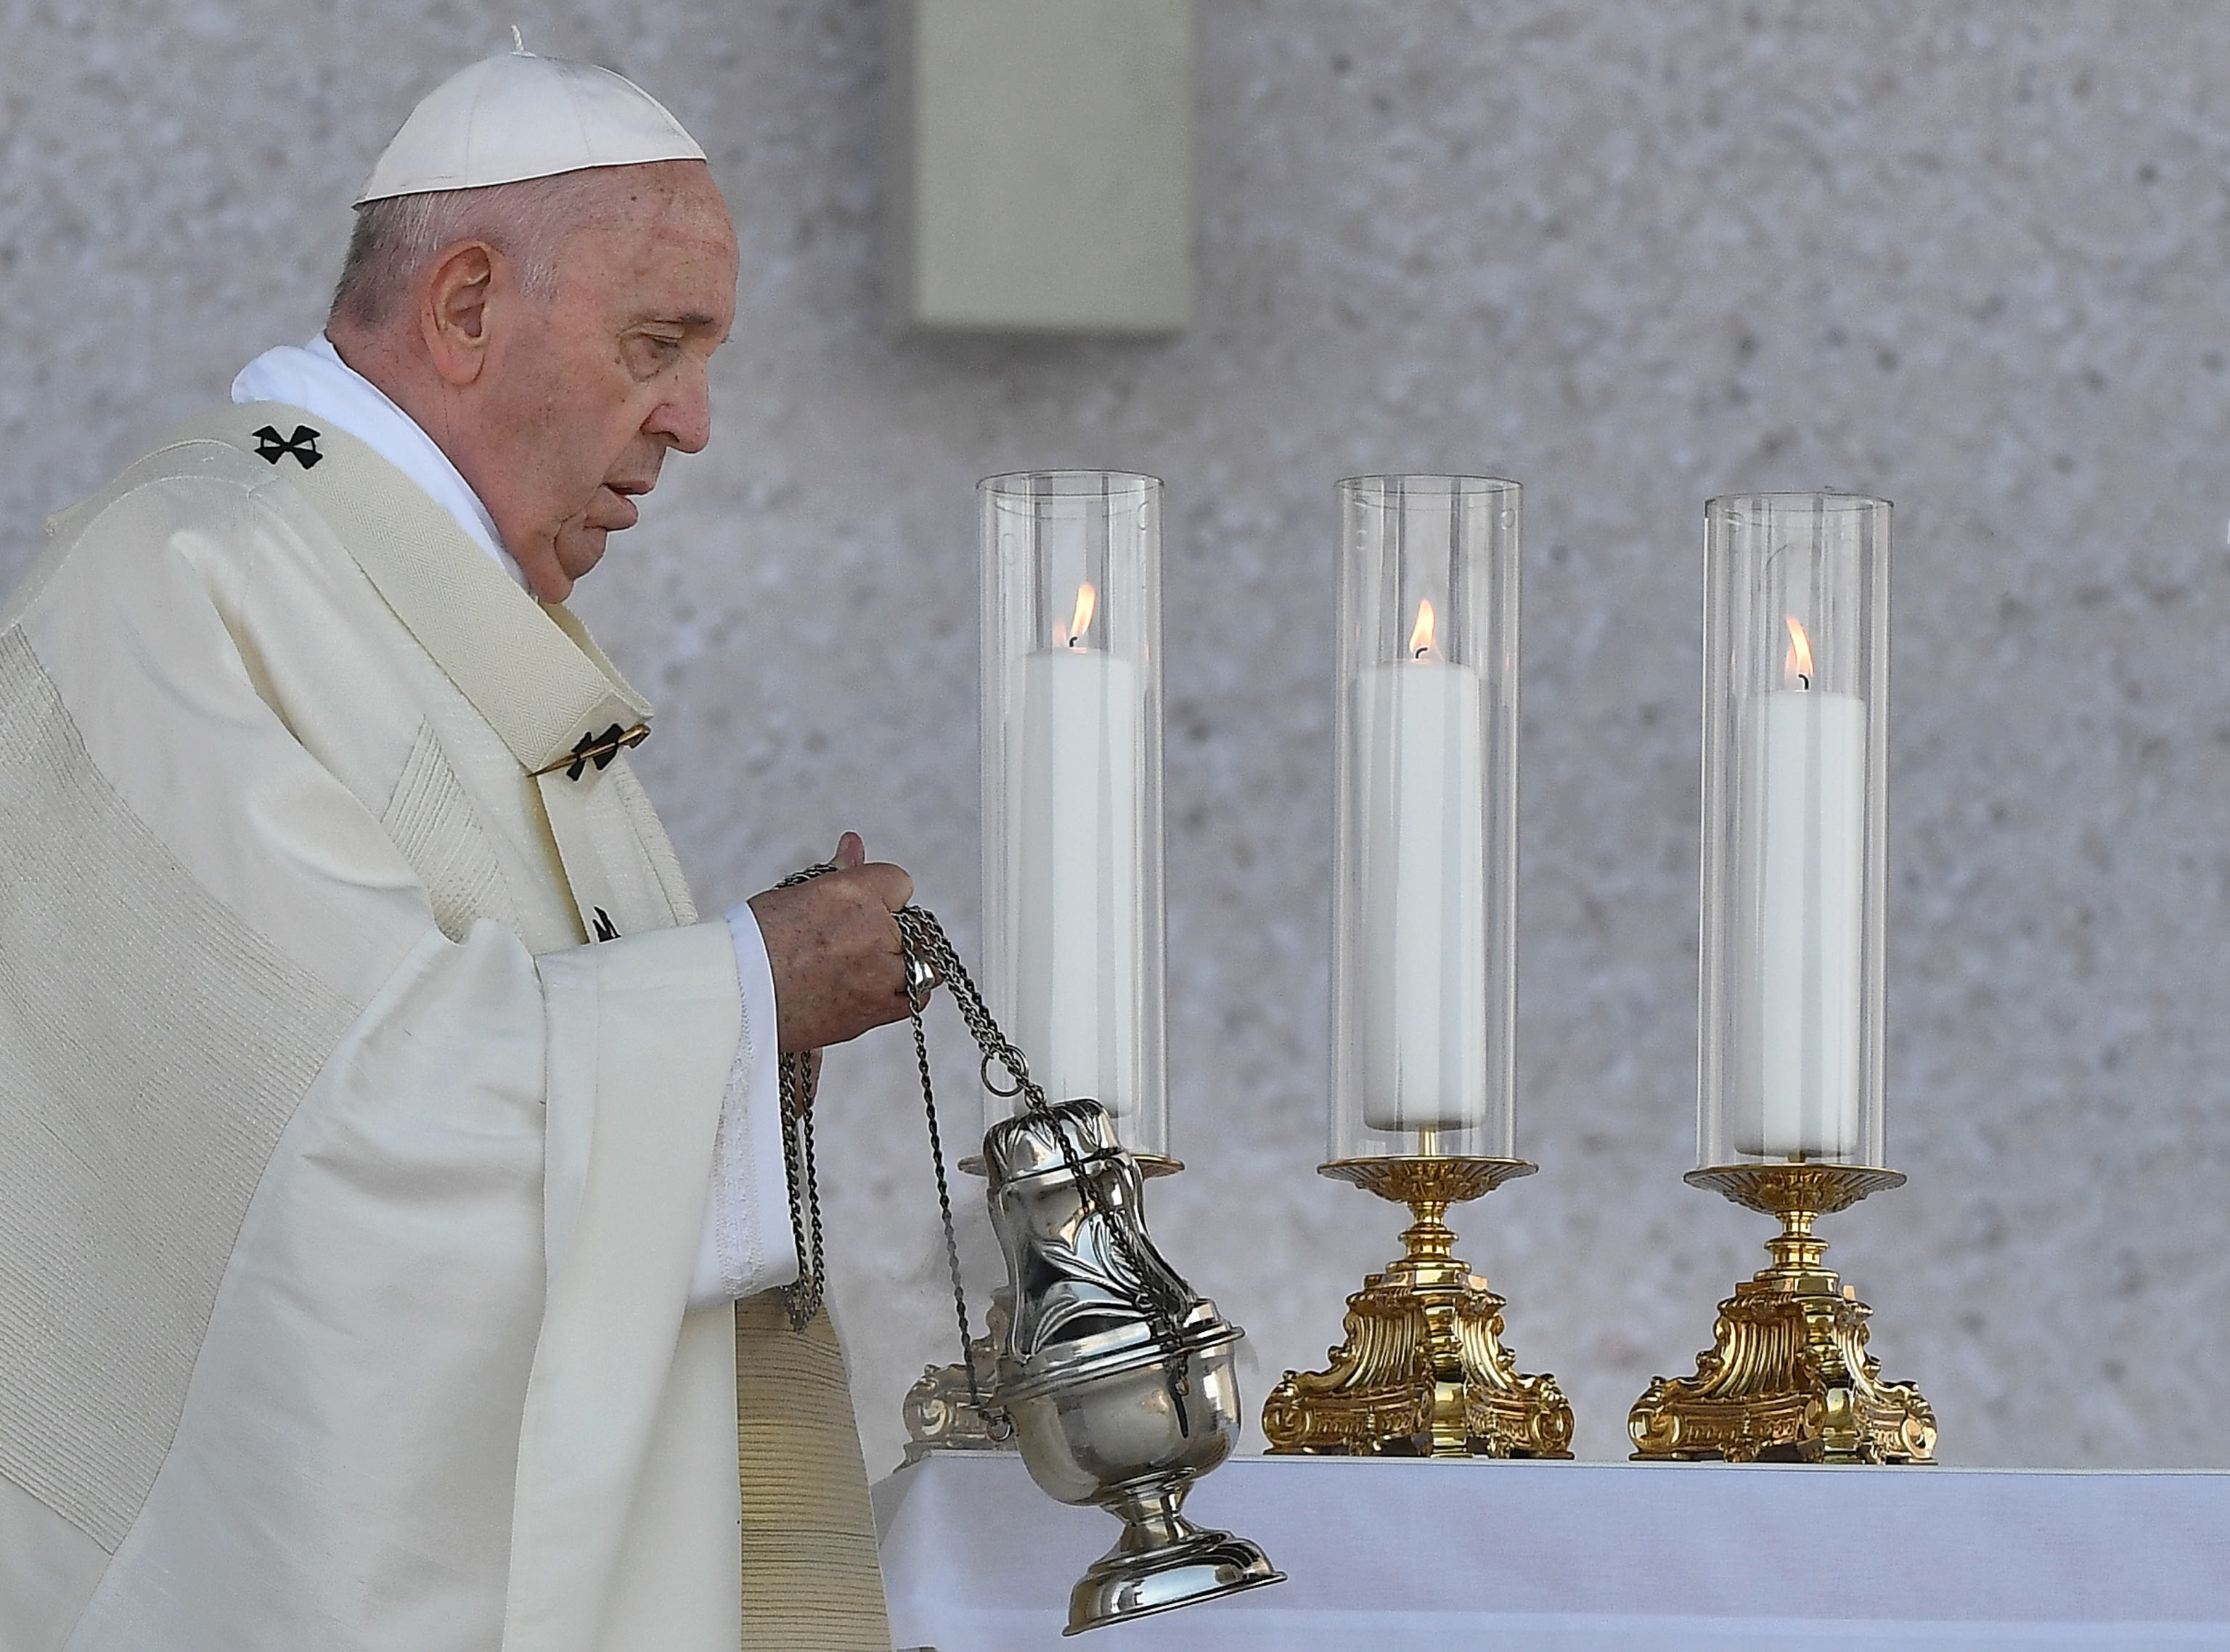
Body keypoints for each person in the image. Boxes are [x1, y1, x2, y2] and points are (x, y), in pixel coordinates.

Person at [0, 43, 906, 1652]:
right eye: (658, 345)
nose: (693, 422)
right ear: (470, 307)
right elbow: (333, 1135)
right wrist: (741, 988)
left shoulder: (461, 637)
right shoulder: (185, 583)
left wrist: (737, 1049)